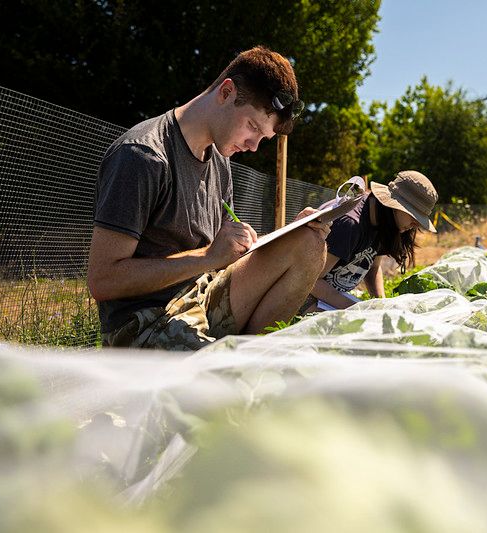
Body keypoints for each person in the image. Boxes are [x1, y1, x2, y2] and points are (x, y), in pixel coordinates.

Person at [87, 46, 329, 350]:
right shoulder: (143, 156)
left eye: (263, 138)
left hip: (202, 295)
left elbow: (221, 256)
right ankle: (238, 368)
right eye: (253, 126)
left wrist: (287, 234)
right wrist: (207, 258)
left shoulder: (220, 161)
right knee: (219, 386)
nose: (254, 146)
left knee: (307, 244)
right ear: (226, 93)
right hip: (145, 323)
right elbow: (102, 280)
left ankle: (253, 359)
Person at [300, 170, 438, 313]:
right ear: (396, 205)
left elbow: (372, 268)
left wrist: (382, 306)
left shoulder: (383, 222)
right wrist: (360, 310)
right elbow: (312, 281)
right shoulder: (350, 225)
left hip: (329, 298)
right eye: (413, 216)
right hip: (300, 298)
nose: (416, 224)